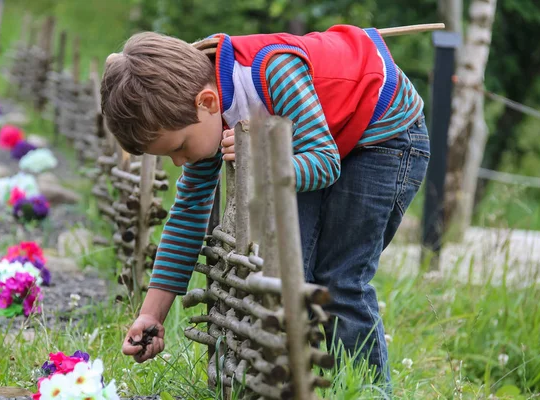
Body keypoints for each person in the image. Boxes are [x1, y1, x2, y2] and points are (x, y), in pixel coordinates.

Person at [101, 24, 430, 382]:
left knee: (340, 279)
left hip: (383, 135)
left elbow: (324, 162)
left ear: (207, 103)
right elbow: (188, 213)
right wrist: (152, 315)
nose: (180, 162)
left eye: (179, 148)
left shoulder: (273, 71)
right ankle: (303, 383)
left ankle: (368, 389)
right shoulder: (196, 111)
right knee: (287, 274)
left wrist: (261, 162)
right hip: (309, 144)